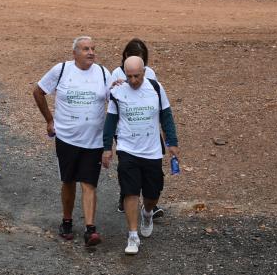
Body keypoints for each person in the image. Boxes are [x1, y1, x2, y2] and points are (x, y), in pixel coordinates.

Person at [33, 36, 111, 247]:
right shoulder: (61, 70)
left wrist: (110, 140)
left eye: (93, 49)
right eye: (86, 49)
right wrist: (49, 120)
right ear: (74, 52)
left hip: (94, 140)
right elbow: (38, 92)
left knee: (89, 183)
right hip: (67, 138)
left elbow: (114, 103)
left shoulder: (104, 73)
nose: (91, 53)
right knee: (68, 181)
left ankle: (90, 229)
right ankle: (66, 221)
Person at [102, 56, 180, 255]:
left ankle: (147, 213)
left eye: (137, 76)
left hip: (152, 151)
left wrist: (172, 142)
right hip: (128, 149)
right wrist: (107, 147)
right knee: (130, 191)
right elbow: (110, 120)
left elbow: (166, 115)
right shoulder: (118, 91)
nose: (133, 80)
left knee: (152, 193)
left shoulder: (155, 88)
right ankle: (133, 235)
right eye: (129, 76)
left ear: (144, 72)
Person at [111, 38, 164, 219]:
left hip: (148, 127)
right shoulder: (117, 73)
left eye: (142, 58)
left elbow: (156, 98)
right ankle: (126, 195)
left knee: (150, 167)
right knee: (128, 165)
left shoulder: (150, 73)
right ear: (125, 56)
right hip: (126, 128)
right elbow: (109, 99)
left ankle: (149, 204)